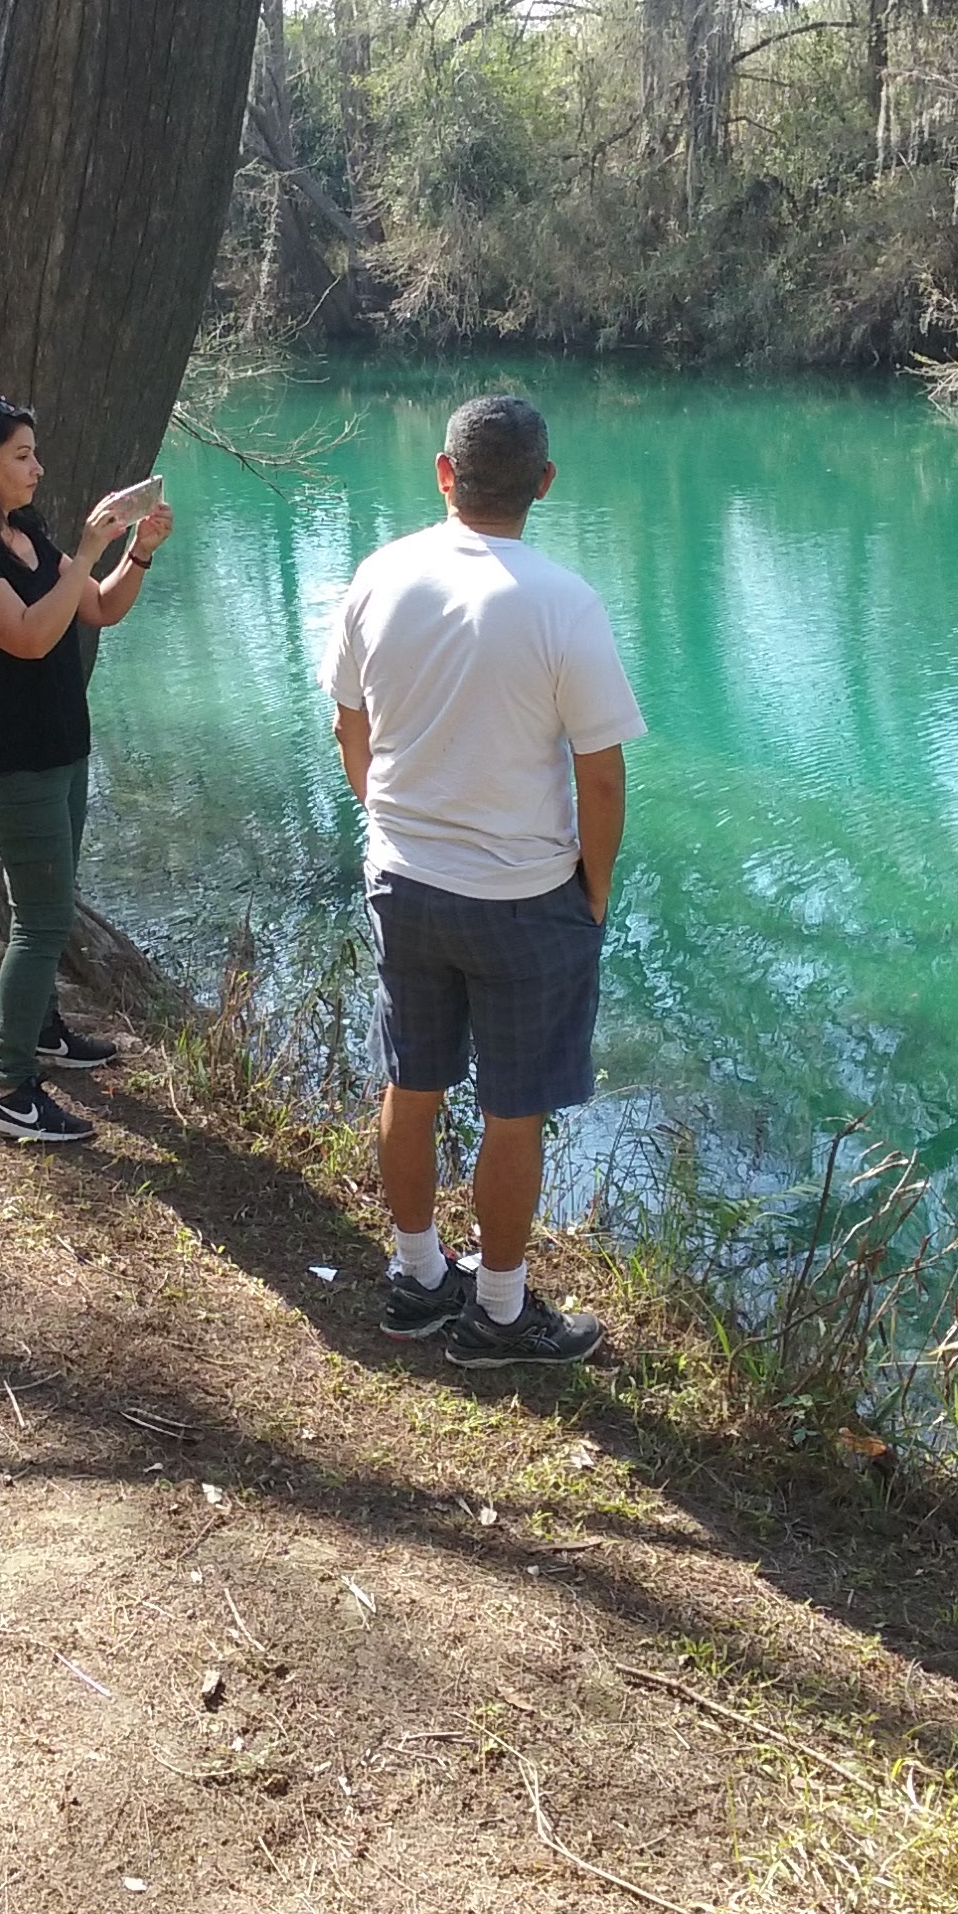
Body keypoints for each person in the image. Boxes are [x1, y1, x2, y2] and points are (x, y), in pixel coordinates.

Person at [318, 394, 645, 1368]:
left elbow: (348, 726)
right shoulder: (562, 603)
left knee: (409, 1084)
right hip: (523, 900)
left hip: (403, 882)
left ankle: (418, 1279)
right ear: (544, 483)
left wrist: (389, 827)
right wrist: (595, 886)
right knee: (514, 1109)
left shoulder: (381, 575)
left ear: (443, 473)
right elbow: (603, 772)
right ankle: (498, 1314)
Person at [0, 394, 173, 1145]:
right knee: (41, 920)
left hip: (64, 750)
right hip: (12, 761)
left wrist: (137, 551)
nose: (37, 468)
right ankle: (8, 1092)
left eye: (35, 452)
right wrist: (93, 547)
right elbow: (32, 637)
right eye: (22, 456)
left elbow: (96, 609)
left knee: (49, 901)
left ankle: (42, 1034)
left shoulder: (27, 531)